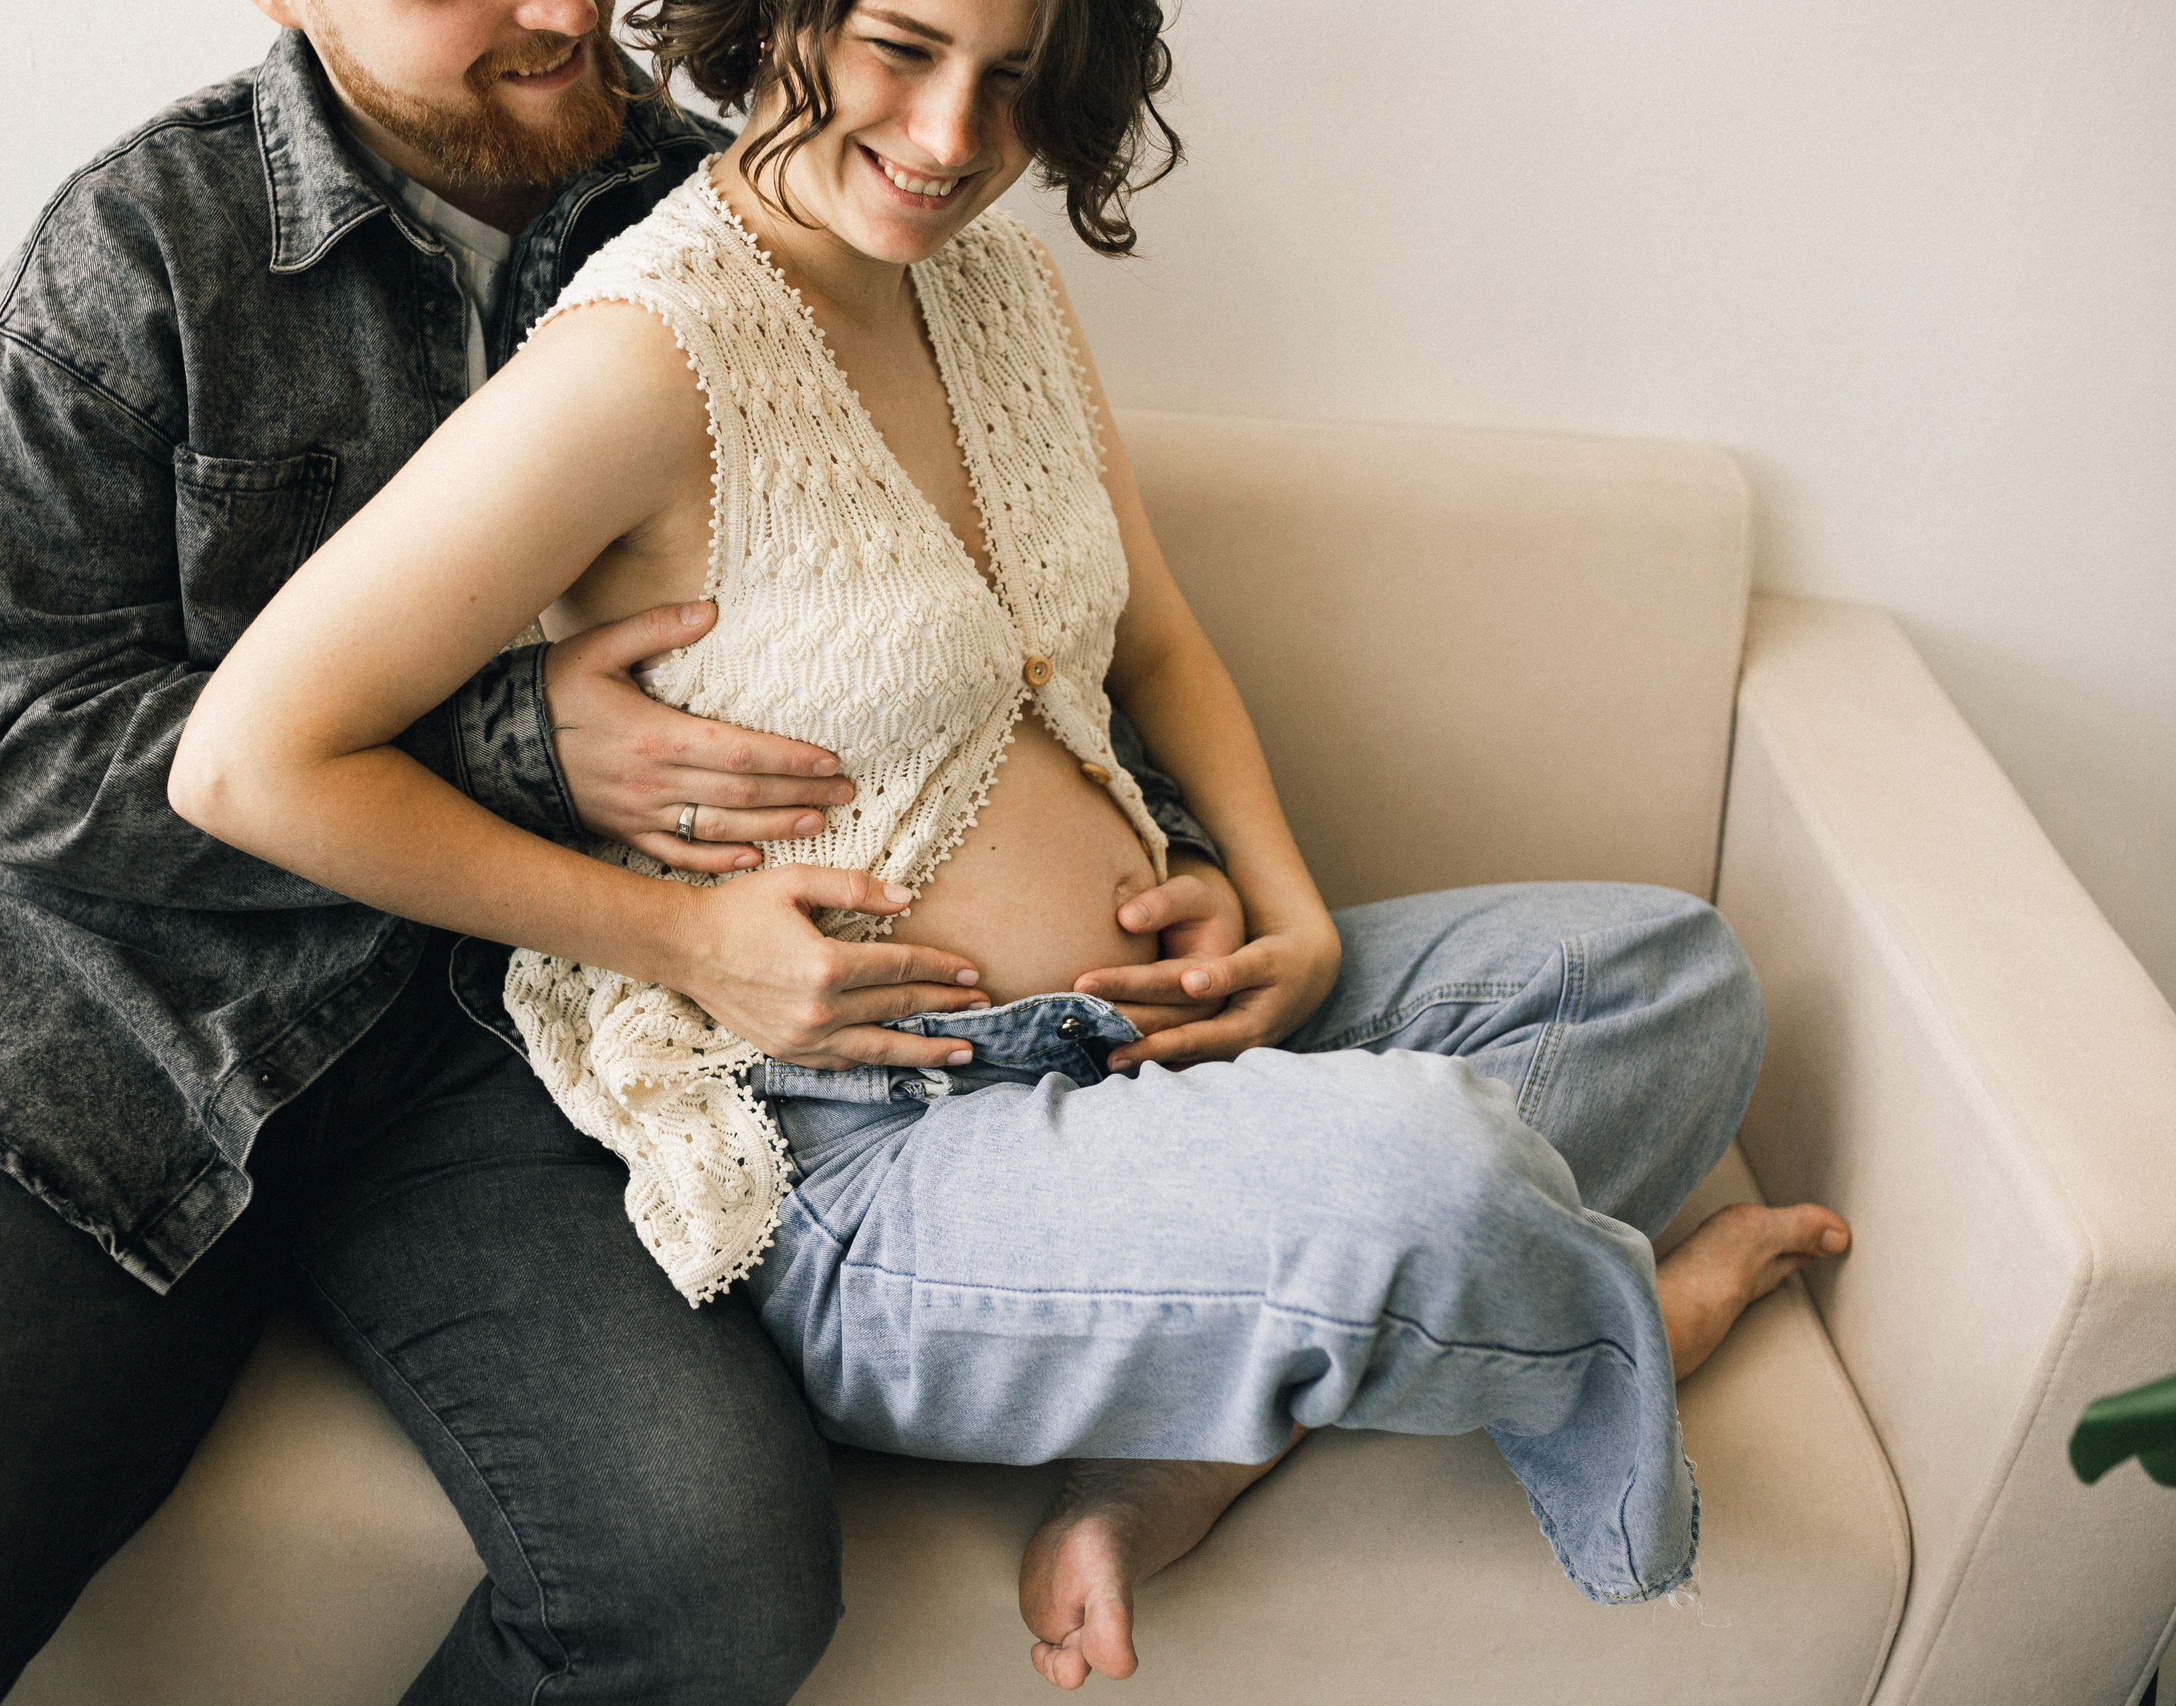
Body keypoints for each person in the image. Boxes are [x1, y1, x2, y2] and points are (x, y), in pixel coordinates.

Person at [171, 0, 1857, 1691]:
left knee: (1663, 976)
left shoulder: (1000, 291)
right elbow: (252, 763)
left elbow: (1156, 647)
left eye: (1014, 78)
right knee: (1438, 1173)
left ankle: (1189, 1448)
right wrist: (675, 940)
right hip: (876, 1159)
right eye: (902, 47)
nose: (951, 136)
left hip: (1156, 1039)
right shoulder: (639, 359)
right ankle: (1611, 1328)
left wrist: (1285, 910)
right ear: (776, 20)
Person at [0, 4, 1249, 1701]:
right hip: (100, 1045)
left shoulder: (746, 195)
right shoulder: (135, 254)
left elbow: (989, 588)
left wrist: (1174, 839)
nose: (565, 10)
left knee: (710, 1587)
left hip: (518, 1050)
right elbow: (23, 748)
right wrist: (516, 743)